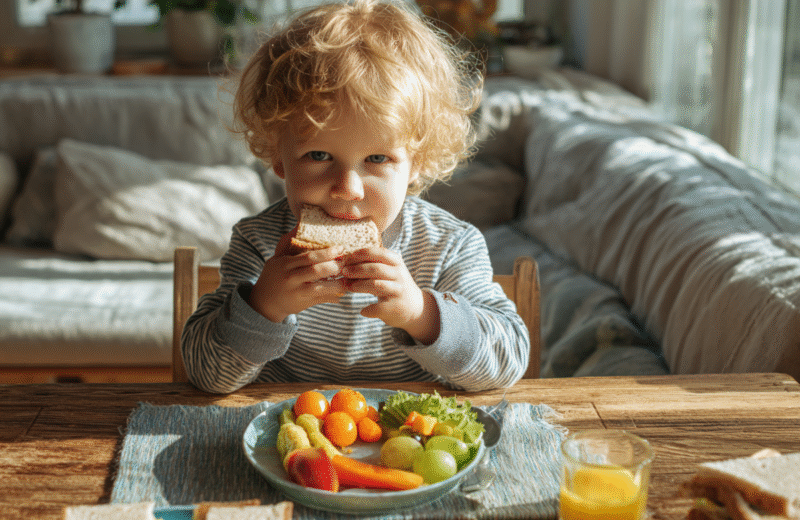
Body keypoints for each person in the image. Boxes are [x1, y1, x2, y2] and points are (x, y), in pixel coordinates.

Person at [181, 0, 530, 393]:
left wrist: (422, 314)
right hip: (291, 440)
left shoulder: (449, 247)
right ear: (278, 158)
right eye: (318, 155)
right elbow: (206, 375)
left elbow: (508, 361)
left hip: (407, 443)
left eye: (377, 158)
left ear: (417, 163)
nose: (347, 188)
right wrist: (264, 307)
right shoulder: (258, 243)